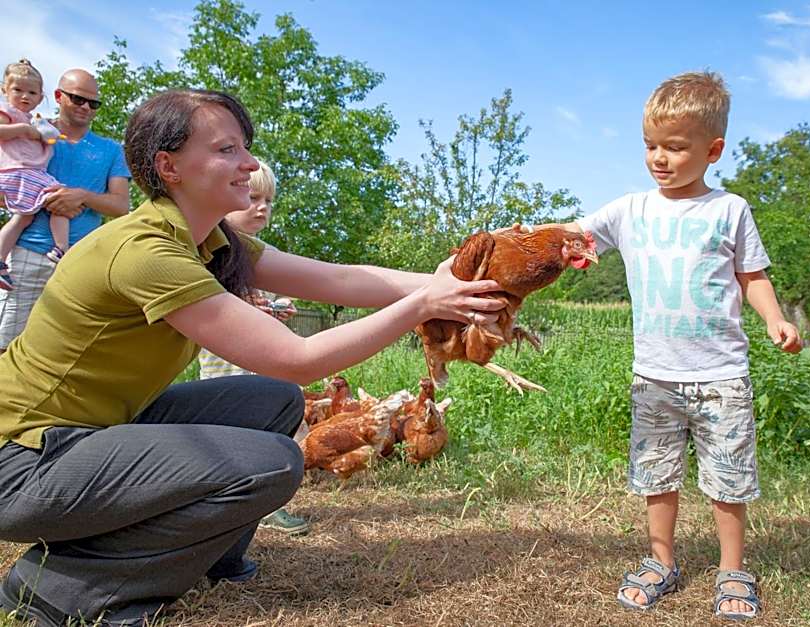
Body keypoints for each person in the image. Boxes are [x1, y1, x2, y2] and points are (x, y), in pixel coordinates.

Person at [0, 88, 504, 626]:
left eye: (245, 147)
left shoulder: (211, 241)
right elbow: (299, 357)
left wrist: (455, 283)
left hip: (90, 433)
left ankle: (205, 553)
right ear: (168, 166)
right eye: (227, 150)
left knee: (271, 403)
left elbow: (339, 278)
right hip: (24, 460)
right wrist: (425, 304)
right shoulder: (146, 252)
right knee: (272, 463)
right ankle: (60, 586)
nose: (250, 164)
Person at [530, 71, 801, 619]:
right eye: (651, 145)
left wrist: (774, 318)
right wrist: (525, 242)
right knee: (656, 475)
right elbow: (569, 237)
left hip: (722, 373)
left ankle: (731, 570)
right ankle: (661, 561)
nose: (659, 158)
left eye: (675, 147)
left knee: (727, 479)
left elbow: (752, 275)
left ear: (713, 150)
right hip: (654, 374)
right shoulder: (631, 210)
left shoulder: (730, 210)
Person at [197, 159, 309, 536]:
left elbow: (269, 304)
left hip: (263, 360)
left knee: (271, 429)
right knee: (232, 432)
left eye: (268, 200)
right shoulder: (210, 250)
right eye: (253, 197)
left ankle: (266, 504)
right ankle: (233, 504)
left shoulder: (263, 253)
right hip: (225, 363)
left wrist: (278, 310)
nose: (262, 207)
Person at [0, 68, 130, 352]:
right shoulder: (32, 132)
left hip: (78, 260)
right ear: (58, 97)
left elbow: (121, 205)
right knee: (6, 344)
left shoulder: (110, 150)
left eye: (93, 103)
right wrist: (42, 198)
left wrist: (80, 196)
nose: (86, 107)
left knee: (64, 351)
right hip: (25, 255)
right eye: (78, 99)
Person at [0, 59, 70, 290]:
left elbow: (50, 136)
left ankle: (1, 261)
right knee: (60, 198)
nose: (24, 97)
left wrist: (43, 133)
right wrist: (23, 130)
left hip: (29, 173)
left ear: (40, 97)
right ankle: (62, 248)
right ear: (4, 90)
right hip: (18, 171)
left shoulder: (34, 120)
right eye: (17, 90)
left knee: (25, 217)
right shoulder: (8, 113)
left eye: (31, 92)